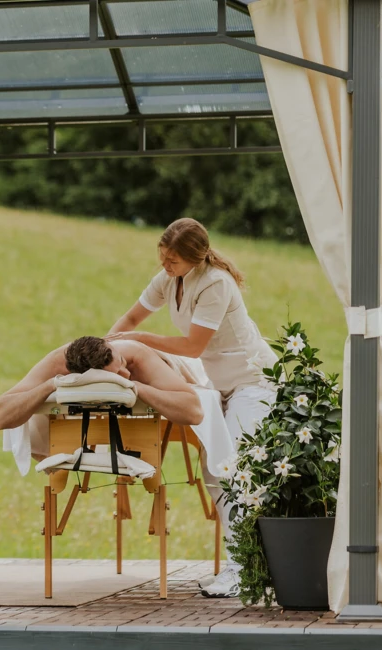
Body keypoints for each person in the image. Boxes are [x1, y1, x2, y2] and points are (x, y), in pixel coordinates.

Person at [106, 218, 276, 598]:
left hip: (252, 381)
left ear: (196, 259)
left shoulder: (215, 283)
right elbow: (131, 318)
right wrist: (106, 348)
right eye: (163, 258)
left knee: (230, 469)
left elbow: (192, 347)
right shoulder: (169, 279)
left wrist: (137, 339)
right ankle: (244, 564)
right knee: (214, 471)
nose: (166, 266)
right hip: (219, 384)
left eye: (173, 260)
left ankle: (244, 569)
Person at [0, 335, 204, 432]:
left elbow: (193, 412)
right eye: (114, 375)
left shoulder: (135, 354)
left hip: (192, 367)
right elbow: (0, 417)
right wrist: (51, 385)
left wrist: (135, 387)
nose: (126, 373)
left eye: (121, 363)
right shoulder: (57, 362)